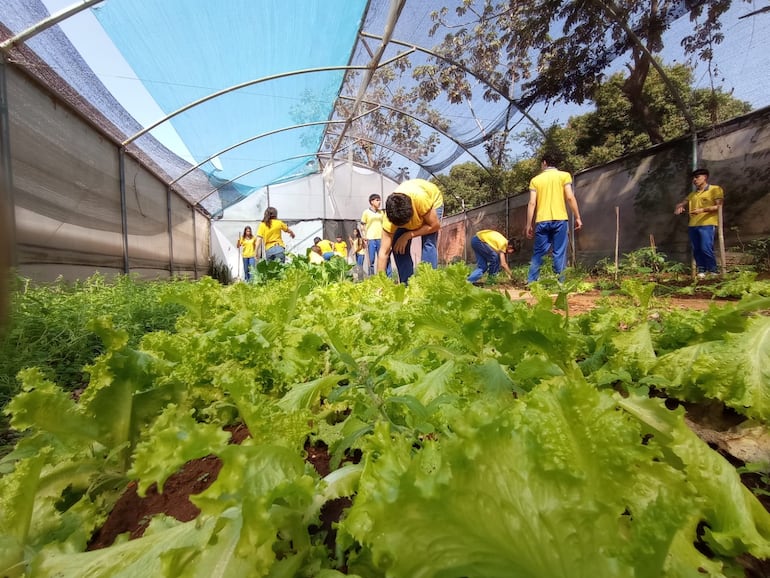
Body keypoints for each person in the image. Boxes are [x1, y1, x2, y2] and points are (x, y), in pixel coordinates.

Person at [525, 153, 583, 283]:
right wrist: (578, 217)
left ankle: (531, 282)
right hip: (560, 219)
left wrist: (528, 224)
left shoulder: (535, 180)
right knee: (559, 252)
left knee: (538, 252)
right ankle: (560, 282)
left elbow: (532, 203)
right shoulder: (564, 176)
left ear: (544, 163)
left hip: (542, 220)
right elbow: (569, 197)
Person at [377, 178, 444, 284]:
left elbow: (435, 226)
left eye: (406, 223)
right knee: (398, 247)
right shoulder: (389, 219)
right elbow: (383, 253)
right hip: (411, 210)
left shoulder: (420, 200)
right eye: (402, 225)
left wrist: (409, 235)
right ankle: (407, 285)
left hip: (432, 201)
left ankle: (429, 283)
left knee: (429, 243)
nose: (408, 226)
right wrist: (379, 283)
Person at [674, 167, 724, 278]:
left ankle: (713, 270)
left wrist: (702, 210)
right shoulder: (693, 194)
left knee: (706, 247)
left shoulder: (715, 189)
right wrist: (679, 207)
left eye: (697, 177)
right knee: (696, 248)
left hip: (707, 223)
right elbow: (682, 203)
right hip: (693, 224)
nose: (694, 180)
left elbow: (719, 206)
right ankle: (701, 269)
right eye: (693, 178)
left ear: (705, 177)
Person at [361, 193, 386, 275]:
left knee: (381, 258)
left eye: (380, 200)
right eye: (377, 200)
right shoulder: (366, 212)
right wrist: (364, 236)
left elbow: (384, 225)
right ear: (371, 202)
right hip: (370, 238)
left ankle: (382, 276)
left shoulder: (381, 213)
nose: (379, 202)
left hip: (380, 238)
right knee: (371, 260)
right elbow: (363, 225)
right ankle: (371, 277)